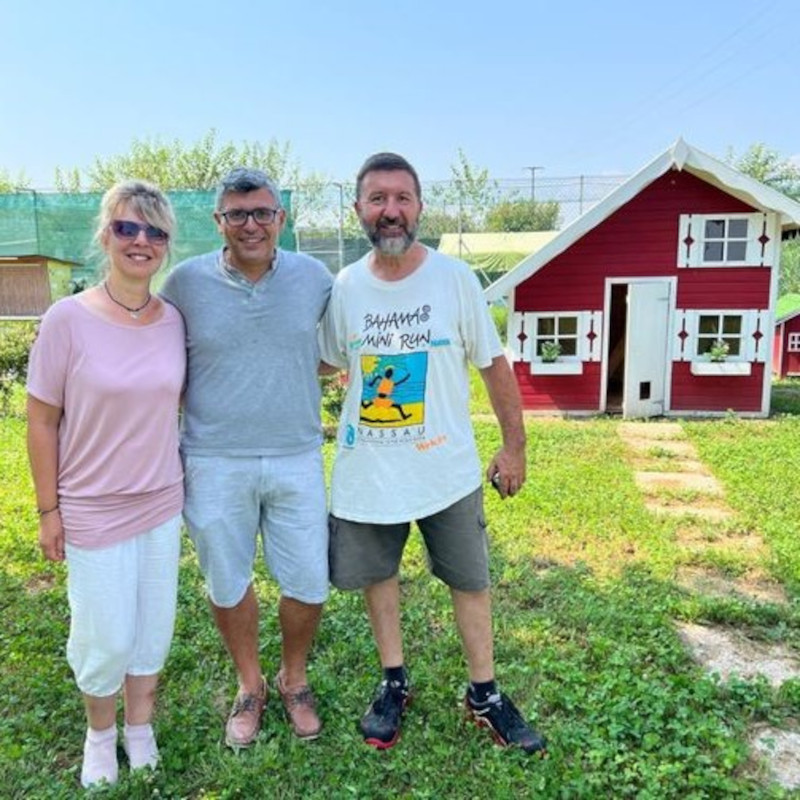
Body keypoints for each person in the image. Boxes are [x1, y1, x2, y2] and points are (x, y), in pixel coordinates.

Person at [319, 153, 547, 755]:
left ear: (419, 207)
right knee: (378, 576)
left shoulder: (454, 280)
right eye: (377, 199)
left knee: (469, 580)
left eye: (402, 198)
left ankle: (485, 694)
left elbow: (494, 366)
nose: (390, 210)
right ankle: (393, 681)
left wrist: (514, 447)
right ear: (359, 210)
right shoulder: (345, 288)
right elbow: (325, 361)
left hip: (446, 470)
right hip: (369, 472)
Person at [160, 168, 332, 747]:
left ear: (281, 217)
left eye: (263, 213)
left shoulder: (315, 278)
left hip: (297, 454)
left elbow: (335, 350)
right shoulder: (183, 284)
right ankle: (250, 684)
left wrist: (288, 376)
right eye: (238, 214)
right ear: (219, 222)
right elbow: (162, 364)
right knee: (227, 582)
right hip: (212, 459)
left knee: (309, 580)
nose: (251, 224)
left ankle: (295, 678)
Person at [26, 181, 185, 788]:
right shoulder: (66, 320)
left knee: (151, 627)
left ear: (166, 246)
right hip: (90, 504)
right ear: (105, 235)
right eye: (127, 228)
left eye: (155, 232)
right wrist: (48, 511)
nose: (140, 241)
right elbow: (41, 419)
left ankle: (139, 727)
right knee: (105, 633)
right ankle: (100, 734)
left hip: (161, 500)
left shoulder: (173, 321)